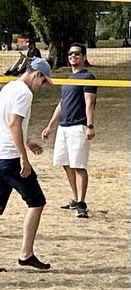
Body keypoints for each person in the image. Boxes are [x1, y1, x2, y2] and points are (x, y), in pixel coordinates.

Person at [0, 57, 53, 273]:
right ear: (36, 74)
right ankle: (26, 254)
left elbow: (6, 125)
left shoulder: (8, 88)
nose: (42, 86)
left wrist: (27, 142)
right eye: (43, 81)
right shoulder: (24, 93)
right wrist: (23, 157)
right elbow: (14, 123)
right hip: (9, 159)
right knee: (36, 201)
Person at [41, 43, 98, 219]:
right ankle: (75, 198)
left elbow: (89, 103)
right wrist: (50, 126)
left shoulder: (88, 77)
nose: (73, 56)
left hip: (78, 126)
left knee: (78, 166)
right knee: (66, 164)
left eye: (77, 54)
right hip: (63, 127)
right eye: (70, 53)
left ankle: (82, 203)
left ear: (84, 57)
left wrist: (90, 126)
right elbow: (62, 104)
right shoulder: (68, 79)